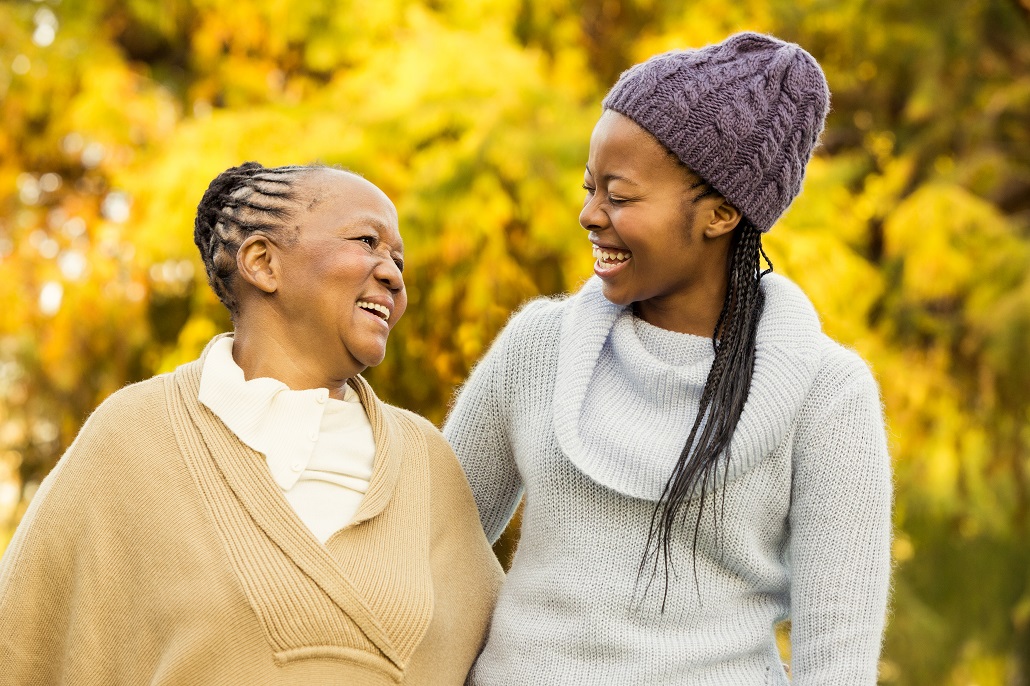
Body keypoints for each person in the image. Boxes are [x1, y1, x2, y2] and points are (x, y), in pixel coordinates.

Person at [444, 32, 892, 685]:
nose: (588, 214)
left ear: (719, 213)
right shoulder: (539, 346)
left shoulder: (827, 393)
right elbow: (430, 549)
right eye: (590, 187)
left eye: (619, 196)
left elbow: (838, 659)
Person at [0, 162, 503, 684]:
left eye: (398, 260)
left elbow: (516, 648)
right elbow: (22, 653)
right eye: (367, 241)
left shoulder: (425, 459)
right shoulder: (132, 437)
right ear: (263, 263)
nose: (393, 275)